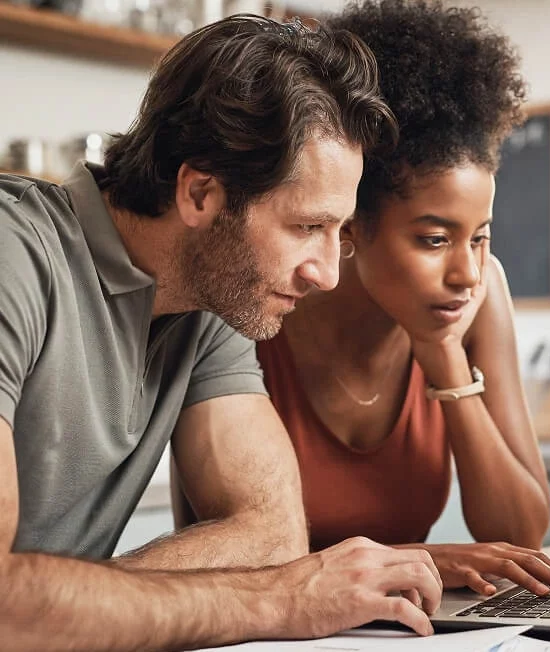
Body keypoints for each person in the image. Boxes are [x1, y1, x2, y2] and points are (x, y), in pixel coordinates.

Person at [0, 14, 445, 650]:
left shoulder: (211, 297)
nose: (326, 274)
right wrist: (281, 600)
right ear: (201, 194)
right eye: (305, 227)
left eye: (337, 232)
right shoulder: (13, 257)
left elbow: (272, 537)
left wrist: (59, 606)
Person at [200, 0, 550, 599]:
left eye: (480, 237)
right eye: (434, 239)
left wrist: (444, 356)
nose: (467, 273)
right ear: (351, 225)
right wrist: (424, 559)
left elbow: (521, 534)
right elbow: (225, 558)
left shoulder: (480, 296)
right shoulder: (257, 306)